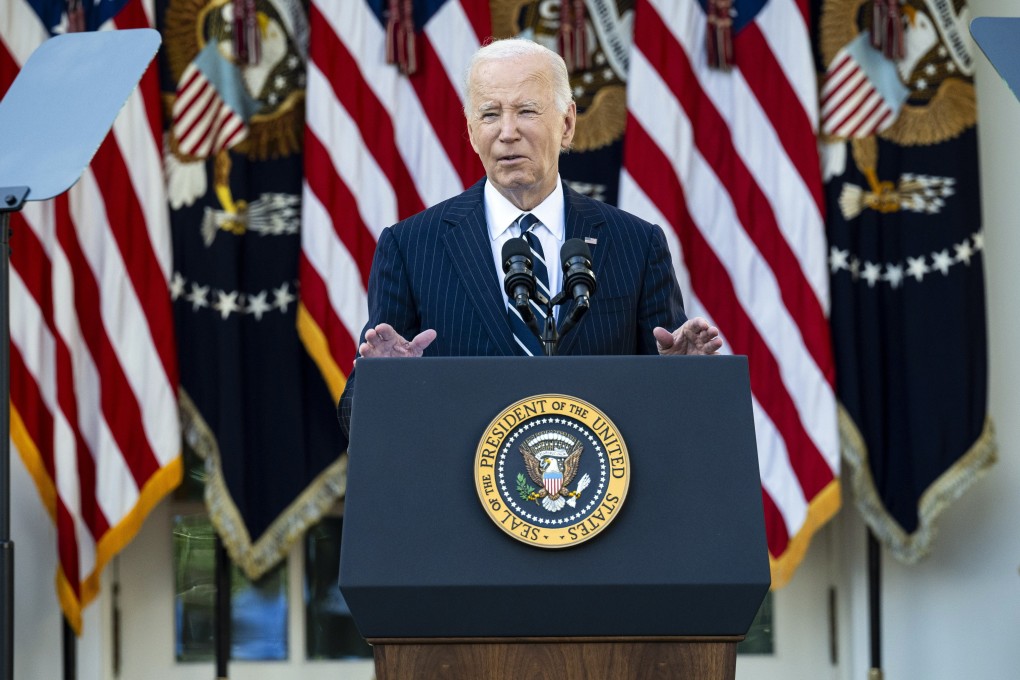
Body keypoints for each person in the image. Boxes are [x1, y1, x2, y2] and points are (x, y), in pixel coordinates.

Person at [338, 38, 721, 440]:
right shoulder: (411, 247)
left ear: (567, 123)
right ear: (471, 131)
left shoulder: (636, 244)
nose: (507, 132)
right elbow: (355, 423)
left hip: (602, 492)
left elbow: (677, 418)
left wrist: (687, 377)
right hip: (463, 494)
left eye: (526, 111)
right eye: (489, 114)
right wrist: (382, 382)